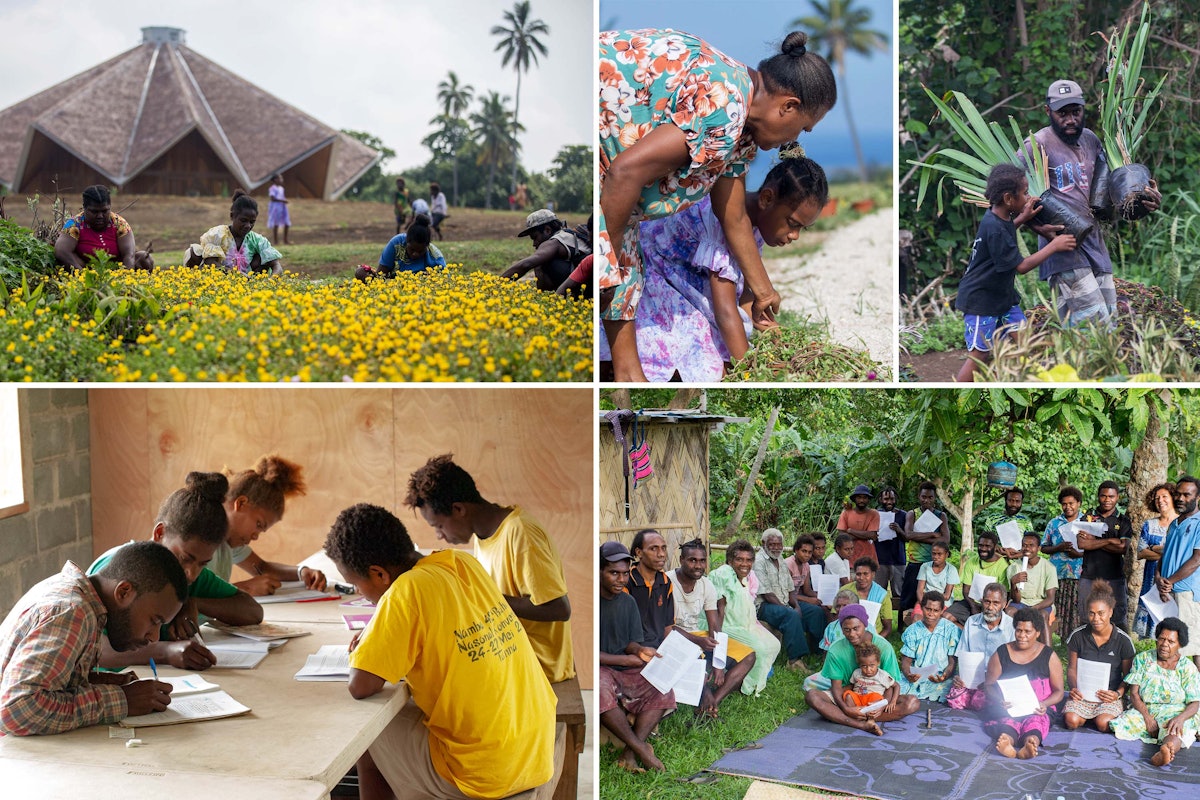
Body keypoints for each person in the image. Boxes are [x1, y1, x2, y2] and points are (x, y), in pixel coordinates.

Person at [598, 28, 836, 381]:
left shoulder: (740, 133)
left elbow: (734, 215)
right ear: (788, 107)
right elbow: (625, 172)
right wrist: (607, 263)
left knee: (625, 293)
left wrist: (763, 291)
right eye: (803, 128)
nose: (795, 140)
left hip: (626, 201)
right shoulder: (726, 107)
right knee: (616, 275)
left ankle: (630, 378)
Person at [325, 504, 556, 798]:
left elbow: (361, 686)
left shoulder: (405, 591)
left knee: (367, 735)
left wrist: (374, 630)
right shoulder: (462, 563)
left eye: (355, 585)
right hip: (533, 749)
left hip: (485, 772)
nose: (359, 593)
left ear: (379, 574)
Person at [601, 156, 827, 381]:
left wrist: (777, 335)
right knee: (708, 361)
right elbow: (725, 310)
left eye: (802, 229)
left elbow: (747, 297)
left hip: (692, 285)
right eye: (792, 224)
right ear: (767, 199)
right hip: (658, 274)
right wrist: (750, 373)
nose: (794, 236)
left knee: (729, 347)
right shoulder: (722, 218)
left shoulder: (757, 227)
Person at [404, 454, 573, 683]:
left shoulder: (520, 533)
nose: (439, 535)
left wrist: (485, 598)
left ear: (458, 509)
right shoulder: (483, 535)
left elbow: (559, 609)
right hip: (508, 651)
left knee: (433, 676)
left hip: (536, 664)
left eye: (439, 526)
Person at [0, 541, 184, 735]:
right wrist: (122, 700)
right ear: (123, 592)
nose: (154, 637)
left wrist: (111, 683)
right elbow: (16, 709)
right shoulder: (73, 612)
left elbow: (56, 682)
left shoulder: (77, 597)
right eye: (154, 621)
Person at [88, 472, 261, 671]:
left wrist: (194, 603)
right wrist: (167, 652)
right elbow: (95, 650)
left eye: (203, 563)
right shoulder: (119, 570)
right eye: (185, 558)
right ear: (160, 533)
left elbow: (252, 611)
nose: (192, 574)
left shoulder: (189, 578)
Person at [1023, 79, 1161, 325]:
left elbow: (1108, 194)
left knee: (1109, 325)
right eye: (1062, 113)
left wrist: (1143, 198)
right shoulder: (1037, 145)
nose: (1070, 119)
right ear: (1048, 112)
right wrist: (1037, 227)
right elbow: (1008, 195)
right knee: (1091, 329)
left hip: (1096, 248)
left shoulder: (1091, 141)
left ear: (1083, 110)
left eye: (1075, 112)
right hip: (1064, 250)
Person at [953, 163, 1076, 382]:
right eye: (1025, 193)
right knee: (980, 355)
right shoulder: (995, 228)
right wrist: (1053, 246)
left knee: (1025, 342)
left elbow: (1006, 232)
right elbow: (1021, 266)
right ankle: (956, 391)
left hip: (1002, 298)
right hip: (981, 301)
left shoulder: (998, 217)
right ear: (1009, 199)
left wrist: (1025, 219)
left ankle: (1034, 383)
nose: (1029, 197)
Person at [597, 540, 673, 773]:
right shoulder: (590, 602)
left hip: (625, 668)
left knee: (663, 687)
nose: (620, 580)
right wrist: (624, 660)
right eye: (613, 574)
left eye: (623, 574)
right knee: (600, 690)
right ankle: (641, 750)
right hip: (600, 667)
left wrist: (639, 651)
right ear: (598, 572)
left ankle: (629, 752)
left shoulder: (627, 601)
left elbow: (630, 642)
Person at [667, 539, 756, 719]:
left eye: (702, 561)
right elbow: (665, 628)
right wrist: (698, 641)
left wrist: (719, 661)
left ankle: (712, 702)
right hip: (673, 637)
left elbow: (714, 625)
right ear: (681, 559)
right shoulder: (666, 582)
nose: (698, 566)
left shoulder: (706, 584)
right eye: (692, 560)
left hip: (697, 635)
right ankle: (706, 698)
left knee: (749, 655)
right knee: (696, 656)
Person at [216, 455, 324, 596]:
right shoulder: (198, 534)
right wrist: (243, 589)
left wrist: (301, 572)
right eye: (258, 524)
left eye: (262, 531)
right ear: (241, 503)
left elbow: (261, 567)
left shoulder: (229, 540)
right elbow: (187, 596)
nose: (255, 536)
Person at [804, 604, 921, 734]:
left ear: (865, 625)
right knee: (812, 696)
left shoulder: (884, 647)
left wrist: (882, 706)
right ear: (841, 629)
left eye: (856, 628)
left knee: (912, 703)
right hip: (848, 695)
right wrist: (846, 708)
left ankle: (842, 716)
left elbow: (890, 686)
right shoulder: (835, 649)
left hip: (878, 696)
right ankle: (860, 724)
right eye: (846, 630)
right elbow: (837, 687)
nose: (852, 634)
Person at [1110, 617, 1200, 767]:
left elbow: (1195, 702)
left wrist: (1180, 718)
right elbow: (1134, 694)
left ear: (1179, 645)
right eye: (1161, 639)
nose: (1164, 645)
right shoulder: (1143, 659)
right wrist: (1147, 717)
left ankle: (1166, 750)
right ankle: (1162, 742)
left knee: (1175, 730)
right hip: (1146, 709)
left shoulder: (1187, 667)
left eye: (1171, 642)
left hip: (1175, 711)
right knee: (1121, 724)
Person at [981, 607, 1065, 759]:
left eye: (1028, 632)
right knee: (1007, 720)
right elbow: (988, 685)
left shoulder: (1049, 656)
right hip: (1009, 705)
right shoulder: (1002, 653)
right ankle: (1007, 742)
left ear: (1038, 633)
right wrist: (1000, 700)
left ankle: (1030, 743)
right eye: (1019, 630)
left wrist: (1044, 704)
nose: (1022, 636)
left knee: (1036, 722)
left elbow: (1059, 691)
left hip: (1037, 708)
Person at [709, 539, 781, 696]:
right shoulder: (723, 574)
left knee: (774, 644)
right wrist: (718, 642)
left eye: (749, 560)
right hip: (727, 626)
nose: (744, 564)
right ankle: (745, 687)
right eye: (739, 559)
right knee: (760, 648)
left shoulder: (748, 578)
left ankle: (751, 682)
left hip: (745, 624)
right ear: (730, 560)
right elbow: (719, 611)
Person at [1062, 580, 1134, 732]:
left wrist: (1117, 694)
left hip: (1108, 696)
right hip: (1083, 695)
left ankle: (1098, 716)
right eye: (1091, 613)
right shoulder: (1078, 636)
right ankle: (1085, 716)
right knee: (1071, 720)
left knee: (1103, 723)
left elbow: (1129, 677)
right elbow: (1072, 668)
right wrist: (1074, 688)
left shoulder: (1123, 641)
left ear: (1110, 612)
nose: (1096, 619)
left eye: (1101, 613)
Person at [754, 527, 824, 672]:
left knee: (815, 612)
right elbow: (767, 595)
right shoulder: (759, 561)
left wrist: (796, 605)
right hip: (764, 606)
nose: (776, 547)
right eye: (772, 544)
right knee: (790, 615)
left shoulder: (779, 559)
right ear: (763, 543)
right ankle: (794, 661)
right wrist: (788, 608)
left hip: (784, 602)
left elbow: (791, 588)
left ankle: (817, 652)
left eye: (779, 544)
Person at [947, 583, 1014, 711]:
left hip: (997, 681)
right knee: (954, 700)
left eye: (996, 603)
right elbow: (963, 654)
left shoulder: (1012, 626)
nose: (990, 607)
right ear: (981, 601)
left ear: (1005, 604)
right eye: (987, 602)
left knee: (987, 701)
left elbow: (1013, 664)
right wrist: (959, 677)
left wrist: (992, 682)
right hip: (971, 680)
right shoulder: (971, 622)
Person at [55, 185, 154, 271]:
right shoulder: (74, 224)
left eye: (104, 211)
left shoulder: (119, 224)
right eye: (94, 212)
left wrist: (125, 278)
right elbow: (61, 251)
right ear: (84, 208)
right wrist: (83, 276)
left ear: (110, 207)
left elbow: (129, 255)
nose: (100, 216)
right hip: (86, 270)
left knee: (144, 258)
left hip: (116, 270)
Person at [1156, 475, 1200, 669]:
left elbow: (1197, 559)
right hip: (1169, 590)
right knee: (1171, 642)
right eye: (1178, 494)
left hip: (1186, 591)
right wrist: (1158, 577)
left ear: (1197, 497)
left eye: (1187, 495)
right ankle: (1175, 689)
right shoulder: (1174, 523)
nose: (1181, 498)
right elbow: (1165, 554)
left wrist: (1170, 581)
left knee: (1194, 644)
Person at [184, 191, 283, 275]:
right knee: (193, 251)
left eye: (252, 222)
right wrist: (236, 275)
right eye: (243, 220)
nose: (248, 225)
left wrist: (271, 280)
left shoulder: (257, 240)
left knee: (263, 257)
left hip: (248, 282)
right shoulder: (218, 234)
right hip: (221, 280)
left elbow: (277, 266)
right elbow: (210, 262)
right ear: (232, 216)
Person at [1077, 481, 1132, 629]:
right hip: (1089, 576)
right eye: (1103, 496)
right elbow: (1082, 544)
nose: (1107, 500)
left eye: (1111, 496)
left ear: (1117, 497)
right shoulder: (1088, 517)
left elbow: (1123, 548)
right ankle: (1087, 650)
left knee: (1118, 618)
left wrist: (1095, 541)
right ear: (1098, 497)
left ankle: (1122, 650)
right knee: (1086, 616)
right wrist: (1111, 541)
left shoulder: (1123, 520)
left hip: (1114, 576)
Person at [502, 209, 591, 292]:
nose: (534, 244)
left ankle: (546, 296)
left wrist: (497, 284)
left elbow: (526, 264)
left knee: (539, 262)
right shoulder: (567, 235)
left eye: (535, 237)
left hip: (585, 286)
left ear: (547, 230)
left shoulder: (556, 241)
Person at [901, 481, 950, 623]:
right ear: (919, 497)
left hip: (932, 563)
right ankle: (901, 626)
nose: (926, 500)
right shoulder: (912, 514)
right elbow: (908, 535)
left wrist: (920, 536)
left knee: (928, 595)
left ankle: (927, 622)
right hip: (915, 561)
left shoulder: (941, 516)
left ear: (935, 498)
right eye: (924, 497)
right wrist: (933, 535)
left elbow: (945, 540)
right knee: (908, 596)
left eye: (930, 497)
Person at [900, 591, 960, 702]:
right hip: (917, 675)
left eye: (936, 610)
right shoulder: (913, 631)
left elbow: (952, 661)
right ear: (922, 608)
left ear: (942, 611)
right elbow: (906, 660)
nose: (931, 614)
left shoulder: (951, 630)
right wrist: (908, 674)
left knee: (954, 694)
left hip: (942, 676)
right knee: (898, 690)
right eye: (928, 609)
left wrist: (945, 675)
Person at [1042, 485, 1085, 636]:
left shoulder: (1086, 522)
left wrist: (1078, 554)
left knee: (1076, 609)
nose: (1068, 507)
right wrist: (1059, 547)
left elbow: (1094, 548)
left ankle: (1074, 639)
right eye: (1064, 504)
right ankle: (1058, 639)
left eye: (1071, 503)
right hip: (1057, 574)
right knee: (1058, 608)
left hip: (1079, 574)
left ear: (1078, 503)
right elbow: (1043, 548)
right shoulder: (1054, 523)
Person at [1135, 482, 1177, 637]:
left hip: (1173, 578)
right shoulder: (1149, 524)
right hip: (1151, 577)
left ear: (1173, 498)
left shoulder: (1182, 523)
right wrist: (1167, 552)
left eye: (1164, 496)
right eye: (1157, 498)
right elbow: (1141, 553)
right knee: (1152, 611)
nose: (1160, 500)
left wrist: (1154, 547)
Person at [944, 531, 1010, 625]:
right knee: (946, 618)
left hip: (991, 604)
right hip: (971, 601)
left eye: (987, 546)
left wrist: (986, 606)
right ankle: (966, 635)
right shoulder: (971, 562)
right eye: (980, 545)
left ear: (995, 547)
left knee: (985, 624)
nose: (983, 549)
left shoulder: (1003, 566)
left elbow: (1004, 595)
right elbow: (966, 590)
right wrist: (973, 606)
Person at [355, 215, 447, 282]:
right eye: (412, 249)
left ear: (427, 246)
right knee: (360, 272)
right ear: (406, 241)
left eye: (420, 251)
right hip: (393, 285)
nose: (415, 254)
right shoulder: (396, 244)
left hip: (420, 288)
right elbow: (381, 275)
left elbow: (446, 281)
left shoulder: (435, 258)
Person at [627, 529, 674, 650]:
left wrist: (668, 650)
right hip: (634, 650)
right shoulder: (627, 582)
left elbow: (667, 626)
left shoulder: (665, 582)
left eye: (663, 548)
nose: (661, 554)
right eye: (654, 549)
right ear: (639, 553)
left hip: (659, 649)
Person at [1008, 532, 1058, 644]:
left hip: (1041, 603)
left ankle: (1047, 654)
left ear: (1039, 548)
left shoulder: (1049, 567)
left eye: (1031, 545)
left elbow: (1050, 599)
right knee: (1009, 612)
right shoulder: (1014, 567)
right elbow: (1016, 600)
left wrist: (1034, 608)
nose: (1027, 548)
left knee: (1042, 615)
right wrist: (1013, 584)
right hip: (1021, 602)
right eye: (1024, 545)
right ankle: (1010, 650)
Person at [843, 642, 898, 724]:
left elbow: (896, 686)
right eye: (864, 666)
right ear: (859, 665)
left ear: (878, 663)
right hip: (858, 699)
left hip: (872, 701)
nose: (868, 669)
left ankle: (867, 715)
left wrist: (893, 701)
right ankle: (857, 714)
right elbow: (852, 685)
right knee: (848, 695)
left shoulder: (883, 675)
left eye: (872, 665)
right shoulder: (856, 673)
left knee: (877, 697)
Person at [975, 486, 1033, 560]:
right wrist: (996, 547)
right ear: (1005, 500)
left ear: (1021, 502)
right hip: (995, 561)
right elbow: (984, 541)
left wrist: (1019, 553)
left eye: (1017, 501)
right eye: (1011, 500)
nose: (1014, 504)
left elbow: (1032, 546)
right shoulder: (992, 519)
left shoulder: (1026, 521)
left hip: (1018, 563)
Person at [875, 486, 907, 603]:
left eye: (892, 499)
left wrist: (899, 530)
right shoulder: (876, 514)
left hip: (898, 561)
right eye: (886, 499)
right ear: (880, 500)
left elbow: (908, 537)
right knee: (877, 596)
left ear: (896, 499)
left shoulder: (903, 515)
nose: (889, 502)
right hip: (880, 561)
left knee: (899, 596)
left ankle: (900, 621)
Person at [913, 541, 958, 623]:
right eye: (934, 553)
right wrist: (924, 605)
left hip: (943, 603)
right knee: (917, 619)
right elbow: (919, 590)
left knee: (939, 622)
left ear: (946, 554)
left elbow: (947, 596)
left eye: (939, 554)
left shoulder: (951, 570)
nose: (936, 557)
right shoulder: (925, 567)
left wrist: (929, 598)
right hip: (924, 601)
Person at [850, 557, 893, 640]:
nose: (861, 578)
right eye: (858, 574)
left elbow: (888, 628)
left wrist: (875, 641)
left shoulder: (882, 595)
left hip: (873, 637)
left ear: (873, 574)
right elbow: (836, 619)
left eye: (866, 574)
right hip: (849, 636)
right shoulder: (845, 591)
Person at [838, 484, 881, 565]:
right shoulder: (846, 513)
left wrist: (851, 531)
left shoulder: (874, 514)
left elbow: (872, 535)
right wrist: (865, 535)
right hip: (849, 560)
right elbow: (841, 537)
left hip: (869, 560)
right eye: (859, 497)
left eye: (865, 498)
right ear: (854, 499)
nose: (862, 500)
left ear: (868, 499)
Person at [786, 534, 826, 613]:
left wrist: (822, 598)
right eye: (804, 551)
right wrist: (808, 600)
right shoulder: (788, 564)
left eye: (810, 552)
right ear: (796, 550)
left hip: (797, 598)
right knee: (816, 611)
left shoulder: (806, 565)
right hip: (788, 600)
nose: (807, 555)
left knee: (824, 607)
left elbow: (807, 590)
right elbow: (786, 594)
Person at [267, 174, 291, 245]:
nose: (282, 180)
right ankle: (276, 241)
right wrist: (283, 201)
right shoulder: (272, 188)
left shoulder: (281, 188)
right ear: (275, 180)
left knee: (287, 222)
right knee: (276, 223)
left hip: (283, 207)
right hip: (276, 208)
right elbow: (272, 198)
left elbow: (282, 197)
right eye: (280, 178)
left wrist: (284, 201)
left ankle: (285, 240)